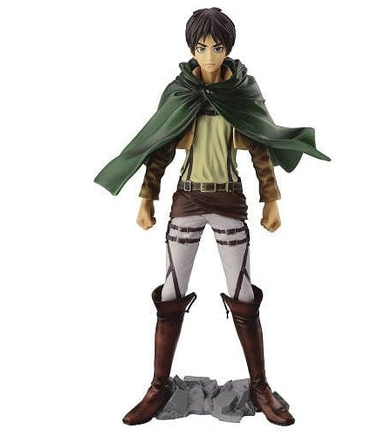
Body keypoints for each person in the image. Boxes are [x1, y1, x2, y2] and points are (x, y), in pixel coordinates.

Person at [94, 7, 330, 426]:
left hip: (229, 201)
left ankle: (260, 386)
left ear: (228, 48)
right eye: (201, 47)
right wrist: (147, 196)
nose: (208, 56)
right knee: (171, 294)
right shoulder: (181, 92)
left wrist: (271, 198)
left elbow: (259, 145)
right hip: (187, 199)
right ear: (191, 48)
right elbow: (161, 146)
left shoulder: (242, 91)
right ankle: (158, 386)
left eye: (216, 47)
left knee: (243, 297)